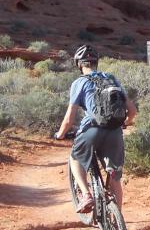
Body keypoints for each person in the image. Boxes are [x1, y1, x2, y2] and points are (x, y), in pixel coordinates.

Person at [54, 44, 137, 213]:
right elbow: (133, 111)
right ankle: (117, 224)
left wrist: (60, 135)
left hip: (92, 130)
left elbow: (69, 118)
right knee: (114, 177)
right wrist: (125, 123)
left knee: (75, 158)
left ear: (79, 64)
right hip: (114, 131)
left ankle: (86, 195)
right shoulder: (112, 79)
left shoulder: (80, 82)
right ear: (96, 62)